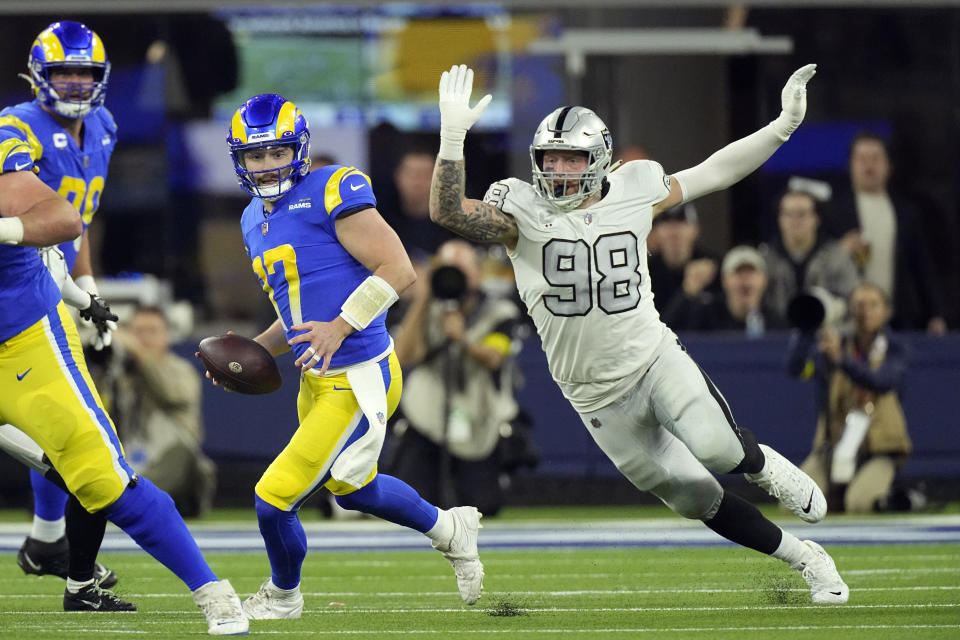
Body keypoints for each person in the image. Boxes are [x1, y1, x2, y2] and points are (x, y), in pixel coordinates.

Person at [428, 63, 849, 603]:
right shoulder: (520, 210)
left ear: (599, 159)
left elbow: (715, 171)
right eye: (549, 159)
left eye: (570, 158)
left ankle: (763, 466)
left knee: (718, 450)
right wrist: (452, 138)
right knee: (695, 498)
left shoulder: (636, 187)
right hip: (594, 394)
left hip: (652, 359)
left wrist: (783, 126)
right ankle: (807, 558)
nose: (557, 170)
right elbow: (446, 211)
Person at [215, 93, 484, 619]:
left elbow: (400, 271)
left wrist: (340, 326)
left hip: (358, 373)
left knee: (273, 497)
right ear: (239, 160)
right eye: (255, 155)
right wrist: (252, 351)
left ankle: (284, 595)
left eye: (277, 152)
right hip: (317, 376)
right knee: (353, 489)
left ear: (300, 149)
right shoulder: (252, 218)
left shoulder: (333, 187)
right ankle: (450, 528)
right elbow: (296, 314)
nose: (267, 165)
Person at [0, 107, 246, 633]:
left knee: (99, 473)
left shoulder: (11, 145)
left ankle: (210, 590)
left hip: (19, 342)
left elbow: (65, 221)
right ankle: (49, 544)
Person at [0, 19, 124, 603]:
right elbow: (34, 227)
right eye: (62, 72)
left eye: (85, 72)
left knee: (65, 425)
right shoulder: (16, 128)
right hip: (20, 291)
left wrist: (88, 287)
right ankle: (52, 546)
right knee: (67, 431)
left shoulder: (102, 126)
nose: (75, 84)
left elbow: (78, 219)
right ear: (37, 75)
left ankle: (48, 541)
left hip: (52, 288)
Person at [392, 239, 522, 516]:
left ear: (476, 273)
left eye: (460, 270)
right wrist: (424, 296)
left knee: (482, 505)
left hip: (477, 420)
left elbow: (494, 357)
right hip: (425, 420)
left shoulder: (499, 312)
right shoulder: (426, 312)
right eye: (446, 270)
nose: (454, 278)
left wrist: (462, 339)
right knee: (412, 504)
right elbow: (402, 356)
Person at [786, 282, 913, 513]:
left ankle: (892, 497)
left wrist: (842, 360)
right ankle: (836, 497)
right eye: (859, 305)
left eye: (873, 305)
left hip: (878, 449)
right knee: (794, 502)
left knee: (859, 503)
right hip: (833, 446)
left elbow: (883, 382)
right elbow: (796, 369)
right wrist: (807, 331)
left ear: (886, 311)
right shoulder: (835, 343)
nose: (865, 312)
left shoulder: (896, 348)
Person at [95, 306, 217, 518]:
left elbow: (169, 393)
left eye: (152, 331)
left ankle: (122, 497)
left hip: (175, 467)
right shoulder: (120, 375)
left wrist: (136, 351)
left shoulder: (181, 370)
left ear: (166, 336)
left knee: (180, 451)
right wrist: (103, 364)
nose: (144, 338)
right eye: (138, 332)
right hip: (131, 460)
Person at [826, 132, 947, 334]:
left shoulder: (907, 213)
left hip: (899, 318)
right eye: (861, 158)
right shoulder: (832, 211)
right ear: (850, 166)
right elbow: (818, 263)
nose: (869, 165)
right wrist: (840, 250)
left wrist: (936, 313)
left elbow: (923, 267)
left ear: (889, 166)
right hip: (847, 320)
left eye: (875, 158)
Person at [760, 189, 861, 321]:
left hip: (827, 335)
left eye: (801, 214)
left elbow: (852, 299)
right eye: (788, 214)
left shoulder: (837, 258)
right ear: (779, 219)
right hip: (776, 335)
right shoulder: (765, 260)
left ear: (816, 219)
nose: (794, 221)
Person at [663, 245, 786, 335]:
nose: (745, 280)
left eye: (751, 272)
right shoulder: (706, 316)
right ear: (724, 281)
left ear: (764, 281)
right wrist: (686, 292)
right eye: (738, 273)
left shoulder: (776, 324)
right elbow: (666, 334)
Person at [647, 202, 721, 316]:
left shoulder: (714, 266)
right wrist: (687, 292)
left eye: (682, 223)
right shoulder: (646, 272)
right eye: (667, 224)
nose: (674, 232)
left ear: (695, 230)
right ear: (656, 232)